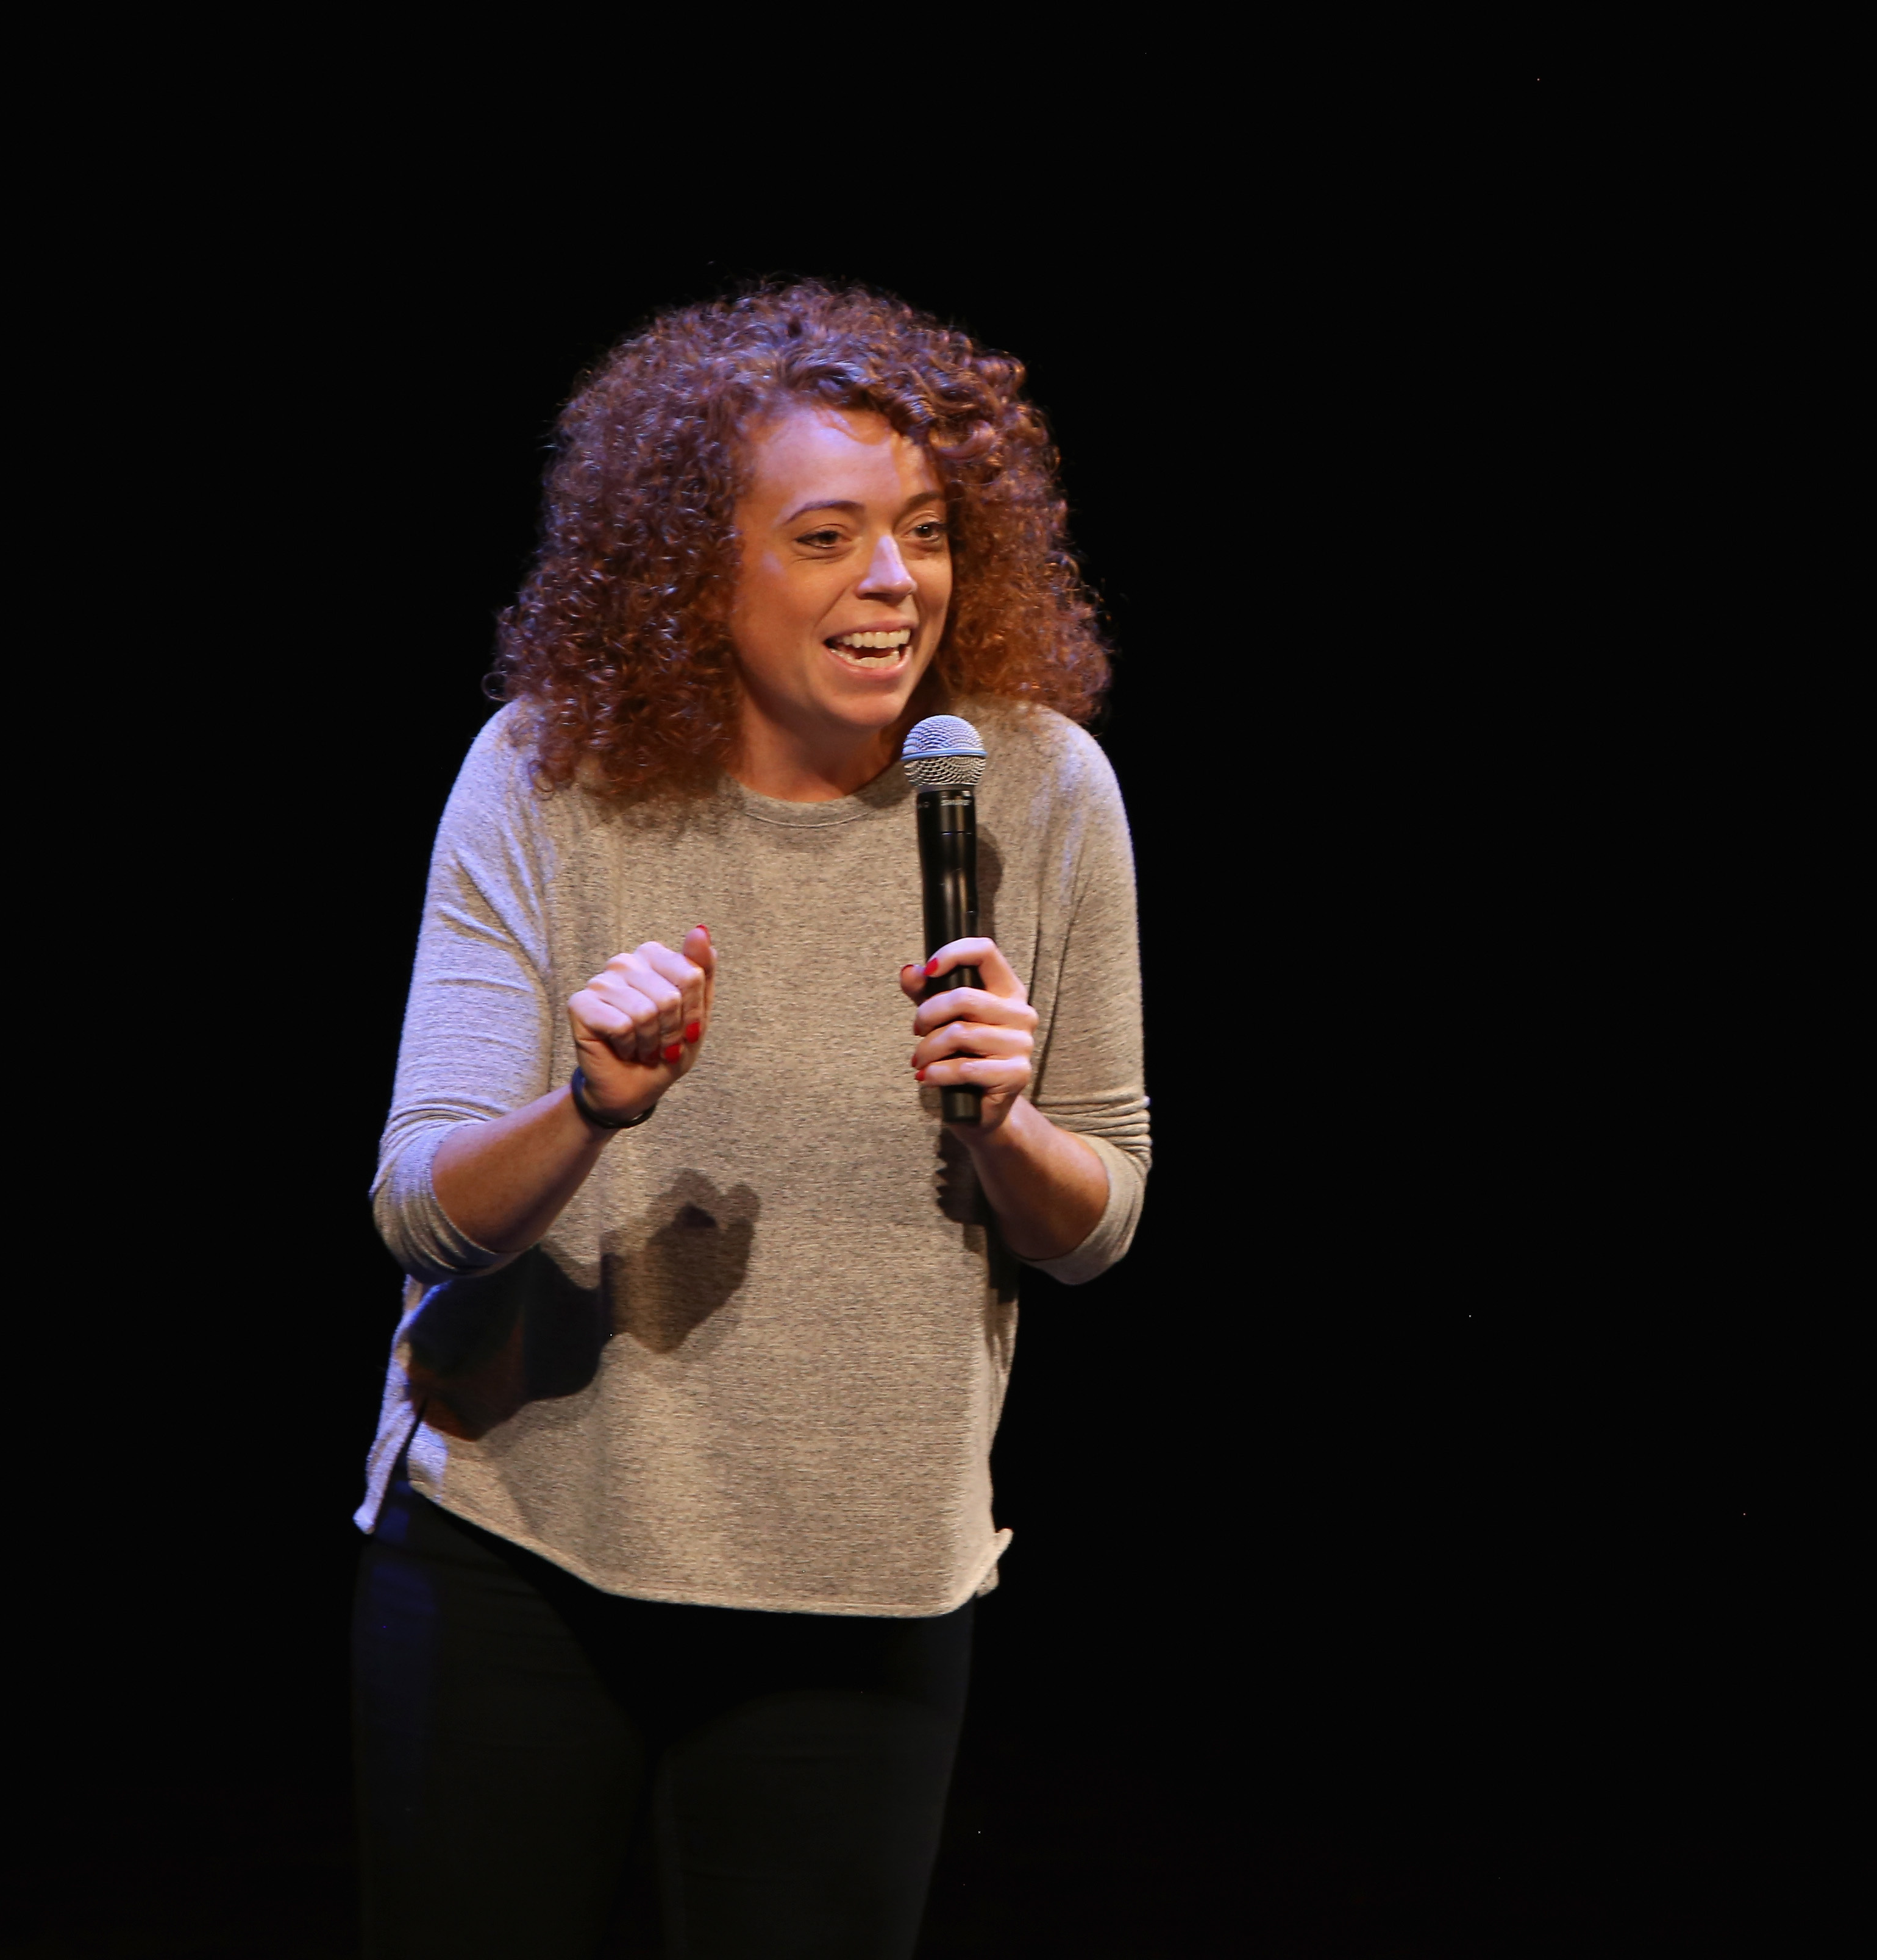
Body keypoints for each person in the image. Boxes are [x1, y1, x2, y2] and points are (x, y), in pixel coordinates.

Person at [349, 280, 1149, 1959]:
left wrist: (1004, 1126)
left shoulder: (1037, 788)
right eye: (826, 538)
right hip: (520, 1553)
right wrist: (591, 1106)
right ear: (694, 572)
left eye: (925, 532)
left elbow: (1100, 1221)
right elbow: (421, 1207)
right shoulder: (549, 774)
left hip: (865, 1582)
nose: (894, 582)